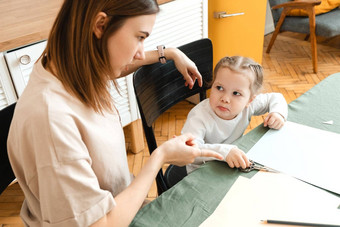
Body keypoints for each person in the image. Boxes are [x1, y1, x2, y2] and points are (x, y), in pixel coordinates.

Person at [7, 1, 223, 226]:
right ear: (100, 25)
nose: (139, 54)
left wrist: (168, 53)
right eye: (139, 37)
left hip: (123, 206)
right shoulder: (51, 120)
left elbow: (113, 65)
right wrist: (160, 157)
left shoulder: (65, 64)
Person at [181, 56, 288, 174]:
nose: (225, 99)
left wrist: (277, 113)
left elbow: (276, 97)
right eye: (219, 88)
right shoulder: (199, 116)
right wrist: (225, 152)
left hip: (231, 164)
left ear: (250, 100)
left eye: (236, 93)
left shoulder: (248, 105)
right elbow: (189, 151)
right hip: (202, 173)